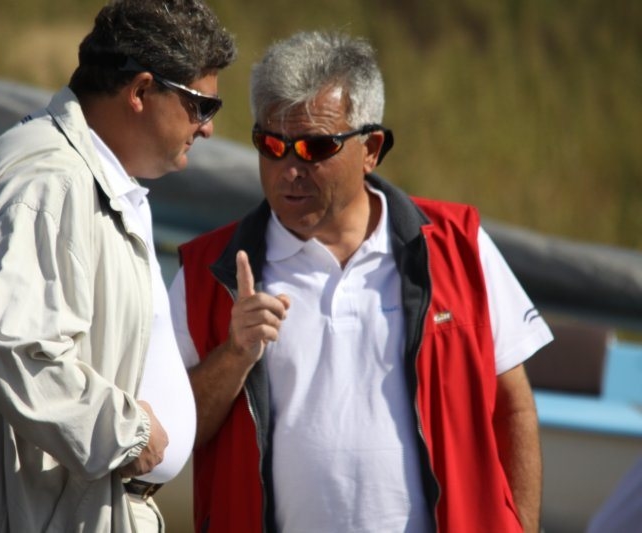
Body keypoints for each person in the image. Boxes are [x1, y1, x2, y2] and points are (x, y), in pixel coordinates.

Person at [169, 30, 552, 533]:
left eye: (315, 147)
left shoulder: (460, 246)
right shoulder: (206, 273)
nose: (290, 169)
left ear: (371, 149)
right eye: (271, 145)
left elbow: (513, 407)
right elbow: (170, 431)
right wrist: (234, 355)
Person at [0, 1, 235, 531]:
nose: (206, 128)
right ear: (140, 91)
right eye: (201, 106)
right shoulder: (51, 179)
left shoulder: (83, 174)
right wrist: (125, 432)